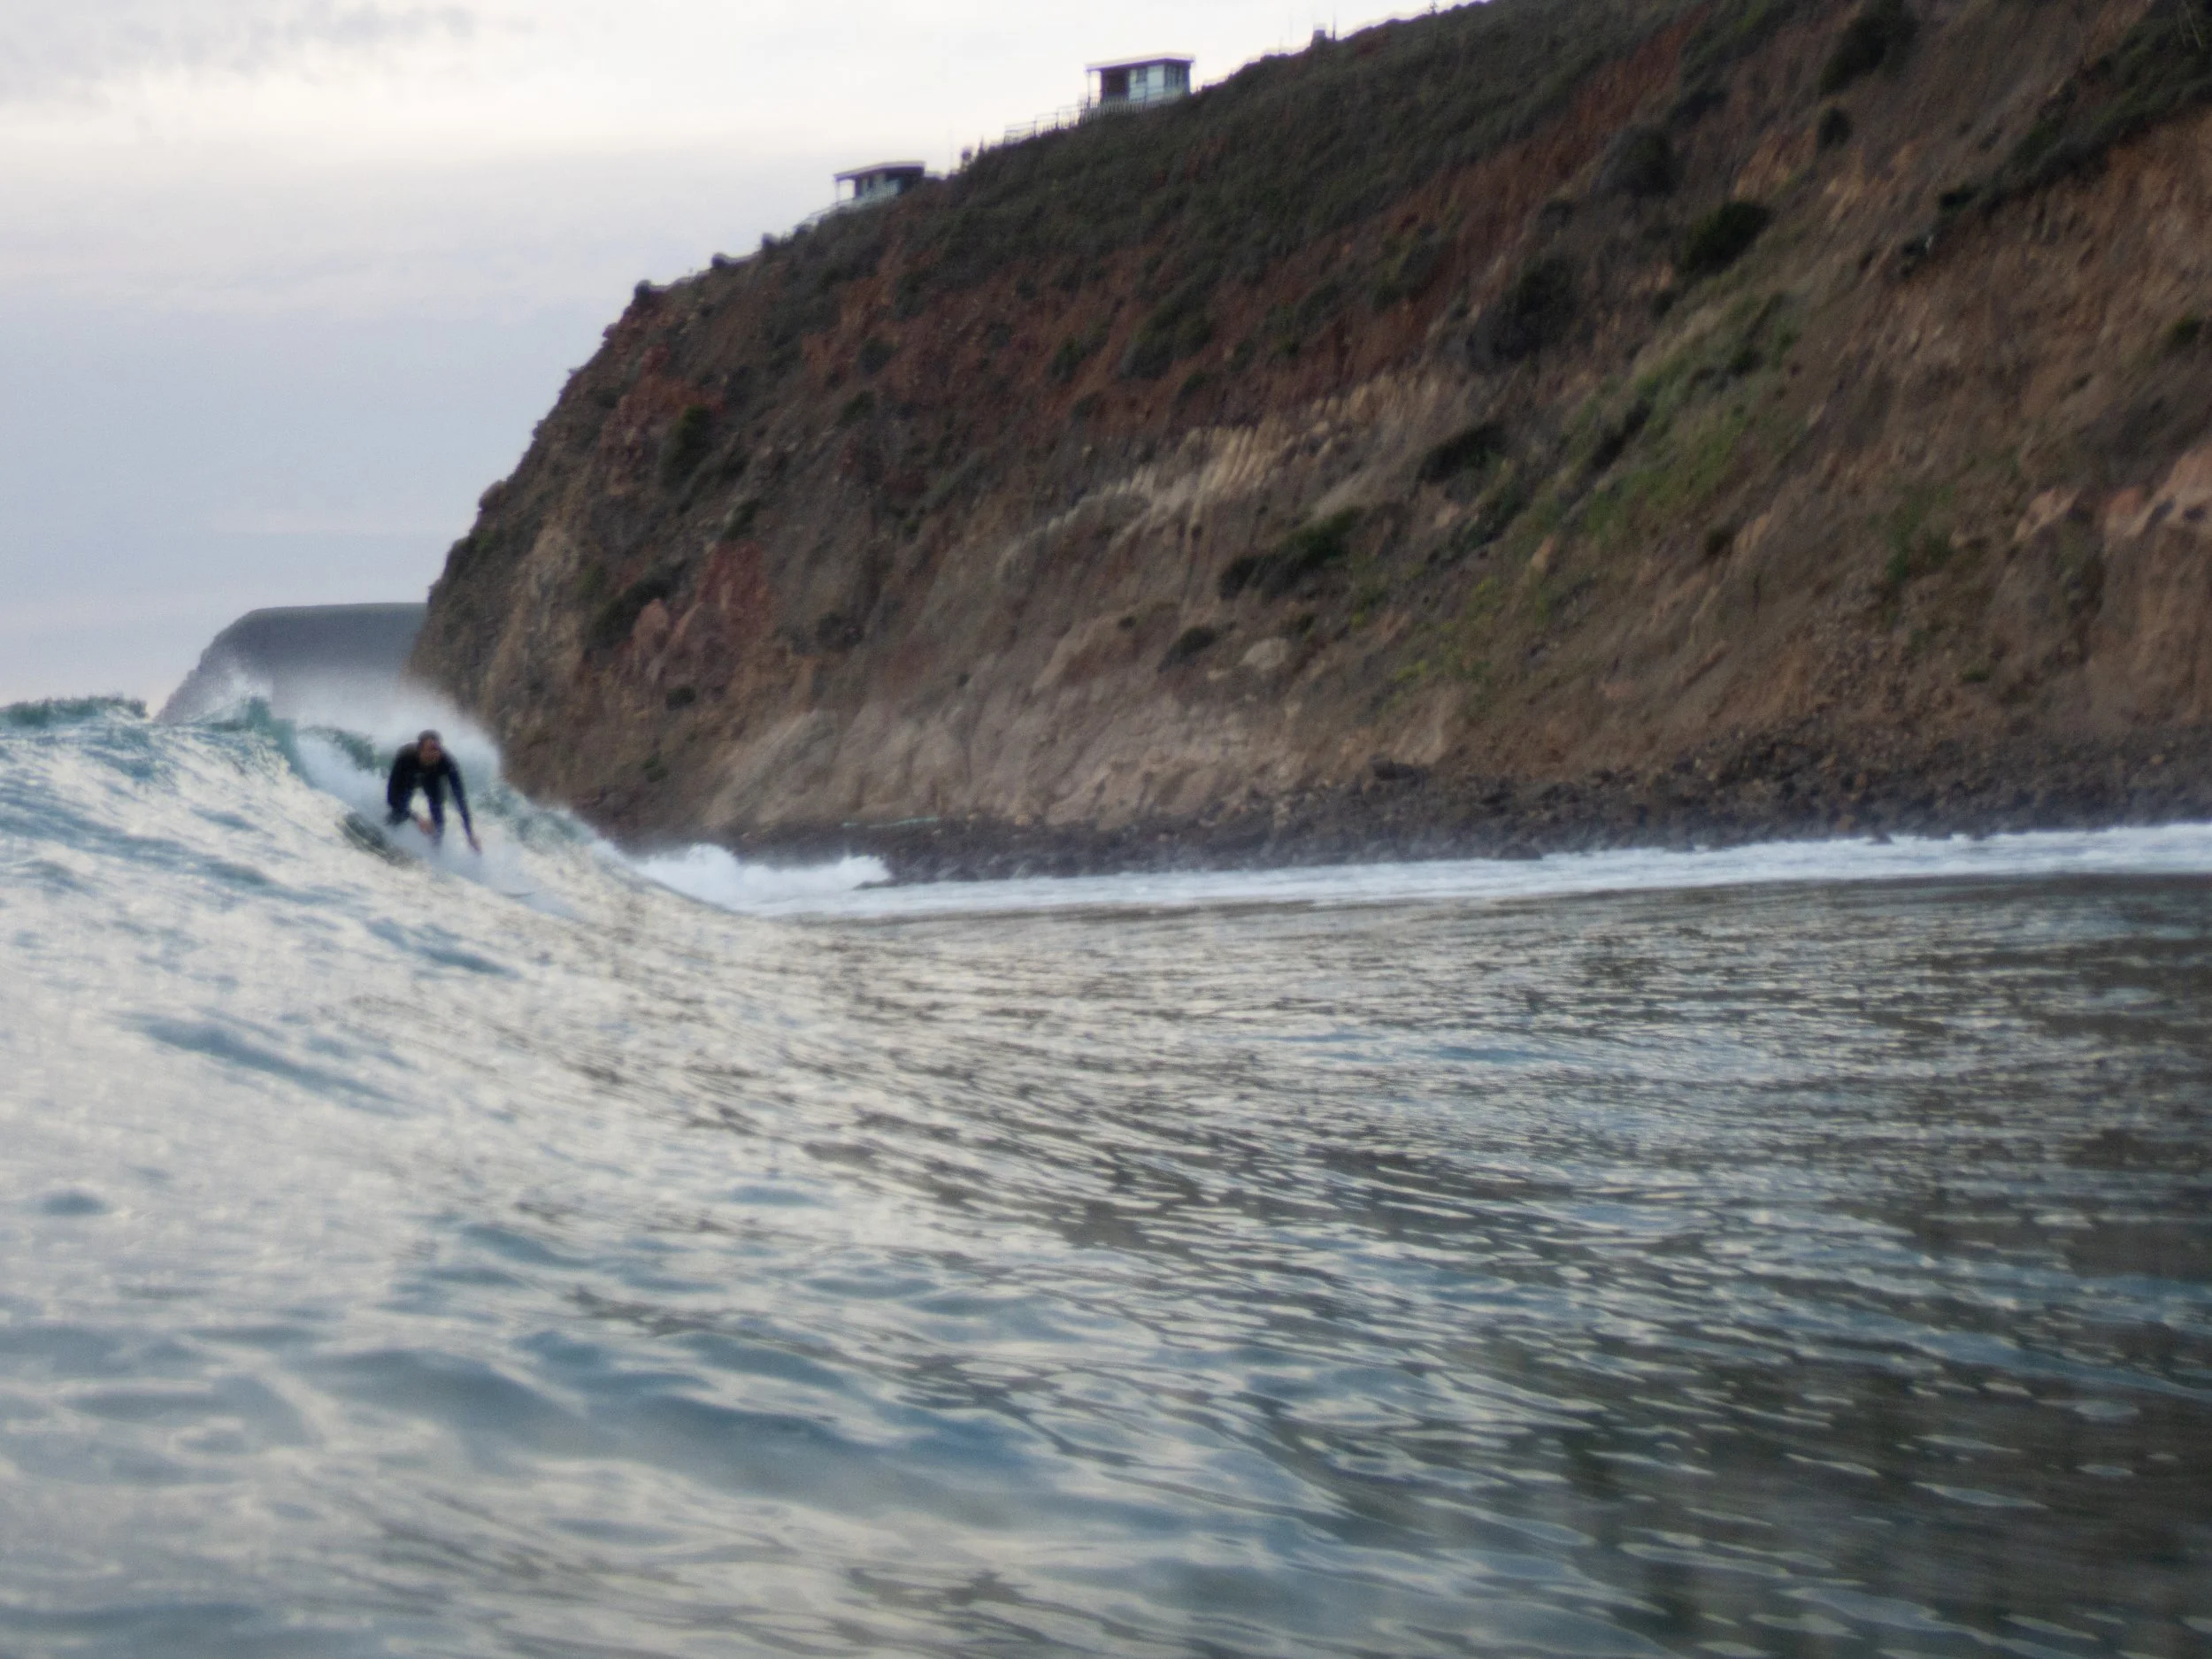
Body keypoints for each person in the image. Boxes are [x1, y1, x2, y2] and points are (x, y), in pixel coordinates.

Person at [386, 729, 481, 853]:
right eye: (430, 749)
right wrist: (417, 818)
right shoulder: (405, 757)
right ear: (420, 750)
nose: (435, 754)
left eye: (437, 750)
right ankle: (388, 838)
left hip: (432, 780)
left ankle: (434, 854)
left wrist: (470, 835)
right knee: (399, 811)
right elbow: (391, 799)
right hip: (408, 778)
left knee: (439, 822)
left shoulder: (447, 763)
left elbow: (461, 800)